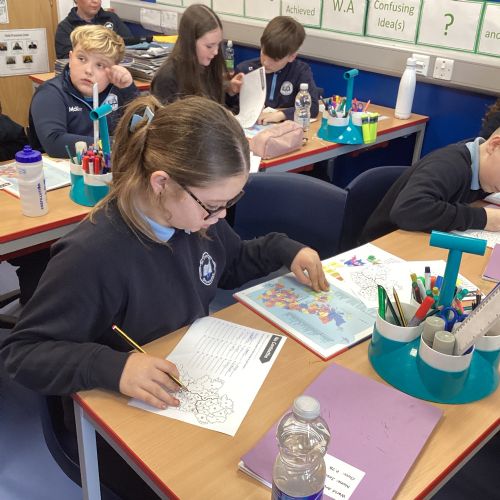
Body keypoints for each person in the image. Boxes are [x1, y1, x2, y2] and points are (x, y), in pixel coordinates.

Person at [0, 94, 328, 498]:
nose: (221, 216)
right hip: (119, 415)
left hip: (186, 385)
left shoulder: (195, 222)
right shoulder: (92, 256)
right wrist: (115, 367)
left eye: (230, 203)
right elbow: (23, 353)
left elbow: (229, 263)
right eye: (214, 205)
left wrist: (283, 249)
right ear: (161, 183)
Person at [361, 130, 500, 243]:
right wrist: (483, 218)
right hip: (383, 246)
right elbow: (407, 210)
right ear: (494, 145)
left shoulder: (485, 173)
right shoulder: (449, 165)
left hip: (421, 239)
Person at [29, 24, 138, 159]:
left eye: (100, 65)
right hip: (62, 168)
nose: (88, 70)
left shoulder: (118, 90)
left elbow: (144, 128)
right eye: (81, 59)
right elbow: (54, 142)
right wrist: (112, 144)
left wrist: (129, 88)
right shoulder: (50, 93)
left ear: (114, 69)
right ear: (70, 58)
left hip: (108, 165)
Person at [150, 3, 243, 105]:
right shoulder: (167, 79)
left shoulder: (208, 65)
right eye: (209, 46)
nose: (216, 52)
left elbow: (216, 104)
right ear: (190, 43)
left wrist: (229, 91)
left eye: (218, 44)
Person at [234, 16, 320, 124]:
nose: (266, 63)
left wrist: (281, 115)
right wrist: (231, 92)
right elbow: (229, 106)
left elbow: (312, 107)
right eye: (264, 53)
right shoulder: (245, 69)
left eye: (275, 60)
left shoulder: (300, 71)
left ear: (291, 57)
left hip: (282, 128)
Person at [55, 0, 134, 59]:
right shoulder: (65, 27)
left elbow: (130, 44)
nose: (95, 1)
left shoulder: (112, 18)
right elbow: (66, 60)